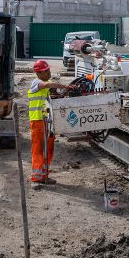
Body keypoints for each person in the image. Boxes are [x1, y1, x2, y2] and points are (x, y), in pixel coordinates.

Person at [27, 59, 74, 189]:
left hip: (47, 121)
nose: (49, 73)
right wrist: (64, 86)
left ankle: (44, 175)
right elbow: (46, 86)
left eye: (49, 70)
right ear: (39, 73)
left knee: (49, 148)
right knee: (38, 149)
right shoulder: (36, 83)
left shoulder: (45, 83)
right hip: (37, 121)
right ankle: (36, 178)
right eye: (46, 71)